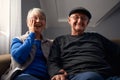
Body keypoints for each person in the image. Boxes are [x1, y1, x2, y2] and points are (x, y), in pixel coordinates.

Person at [48, 7, 120, 80]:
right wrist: (57, 73)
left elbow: (117, 51)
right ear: (69, 20)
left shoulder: (97, 37)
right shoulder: (59, 40)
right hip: (80, 75)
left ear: (87, 23)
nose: (79, 21)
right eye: (76, 17)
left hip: (107, 75)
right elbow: (52, 61)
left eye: (83, 18)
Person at [1, 8, 52, 80]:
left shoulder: (50, 44)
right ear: (28, 23)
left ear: (45, 23)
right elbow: (19, 57)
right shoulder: (18, 40)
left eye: (41, 18)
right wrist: (32, 35)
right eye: (35, 18)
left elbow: (56, 62)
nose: (38, 21)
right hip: (24, 76)